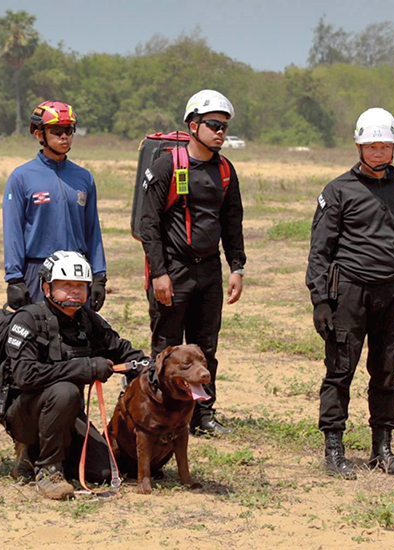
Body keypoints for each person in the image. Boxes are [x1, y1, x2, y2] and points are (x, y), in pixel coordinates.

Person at [306, 107, 394, 480]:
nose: (378, 152)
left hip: (392, 293)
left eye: (385, 145)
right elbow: (321, 249)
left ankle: (383, 450)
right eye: (371, 145)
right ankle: (334, 449)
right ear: (359, 146)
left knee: (386, 372)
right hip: (349, 291)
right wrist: (320, 300)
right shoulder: (338, 190)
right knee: (340, 371)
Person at [139, 89, 246, 436]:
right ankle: (161, 412)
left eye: (224, 127)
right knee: (166, 348)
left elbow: (232, 223)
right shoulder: (168, 165)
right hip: (174, 269)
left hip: (209, 270)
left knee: (205, 347)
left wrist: (237, 267)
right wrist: (160, 273)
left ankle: (203, 414)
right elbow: (149, 223)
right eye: (213, 124)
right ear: (192, 125)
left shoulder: (226, 171)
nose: (220, 132)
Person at [2, 250, 148, 499]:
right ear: (47, 288)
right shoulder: (27, 319)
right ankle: (47, 469)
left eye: (80, 285)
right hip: (24, 414)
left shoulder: (90, 321)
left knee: (102, 471)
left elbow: (124, 352)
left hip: (67, 414)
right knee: (66, 390)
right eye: (66, 284)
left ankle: (36, 456)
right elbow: (24, 376)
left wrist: (151, 365)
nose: (75, 291)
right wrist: (85, 368)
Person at [2, 101, 107, 312]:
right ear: (39, 134)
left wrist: (99, 277)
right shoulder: (21, 177)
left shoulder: (83, 177)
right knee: (39, 337)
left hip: (77, 272)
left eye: (68, 130)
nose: (64, 137)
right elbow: (13, 231)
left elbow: (92, 230)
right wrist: (14, 279)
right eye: (57, 131)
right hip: (37, 271)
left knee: (77, 339)